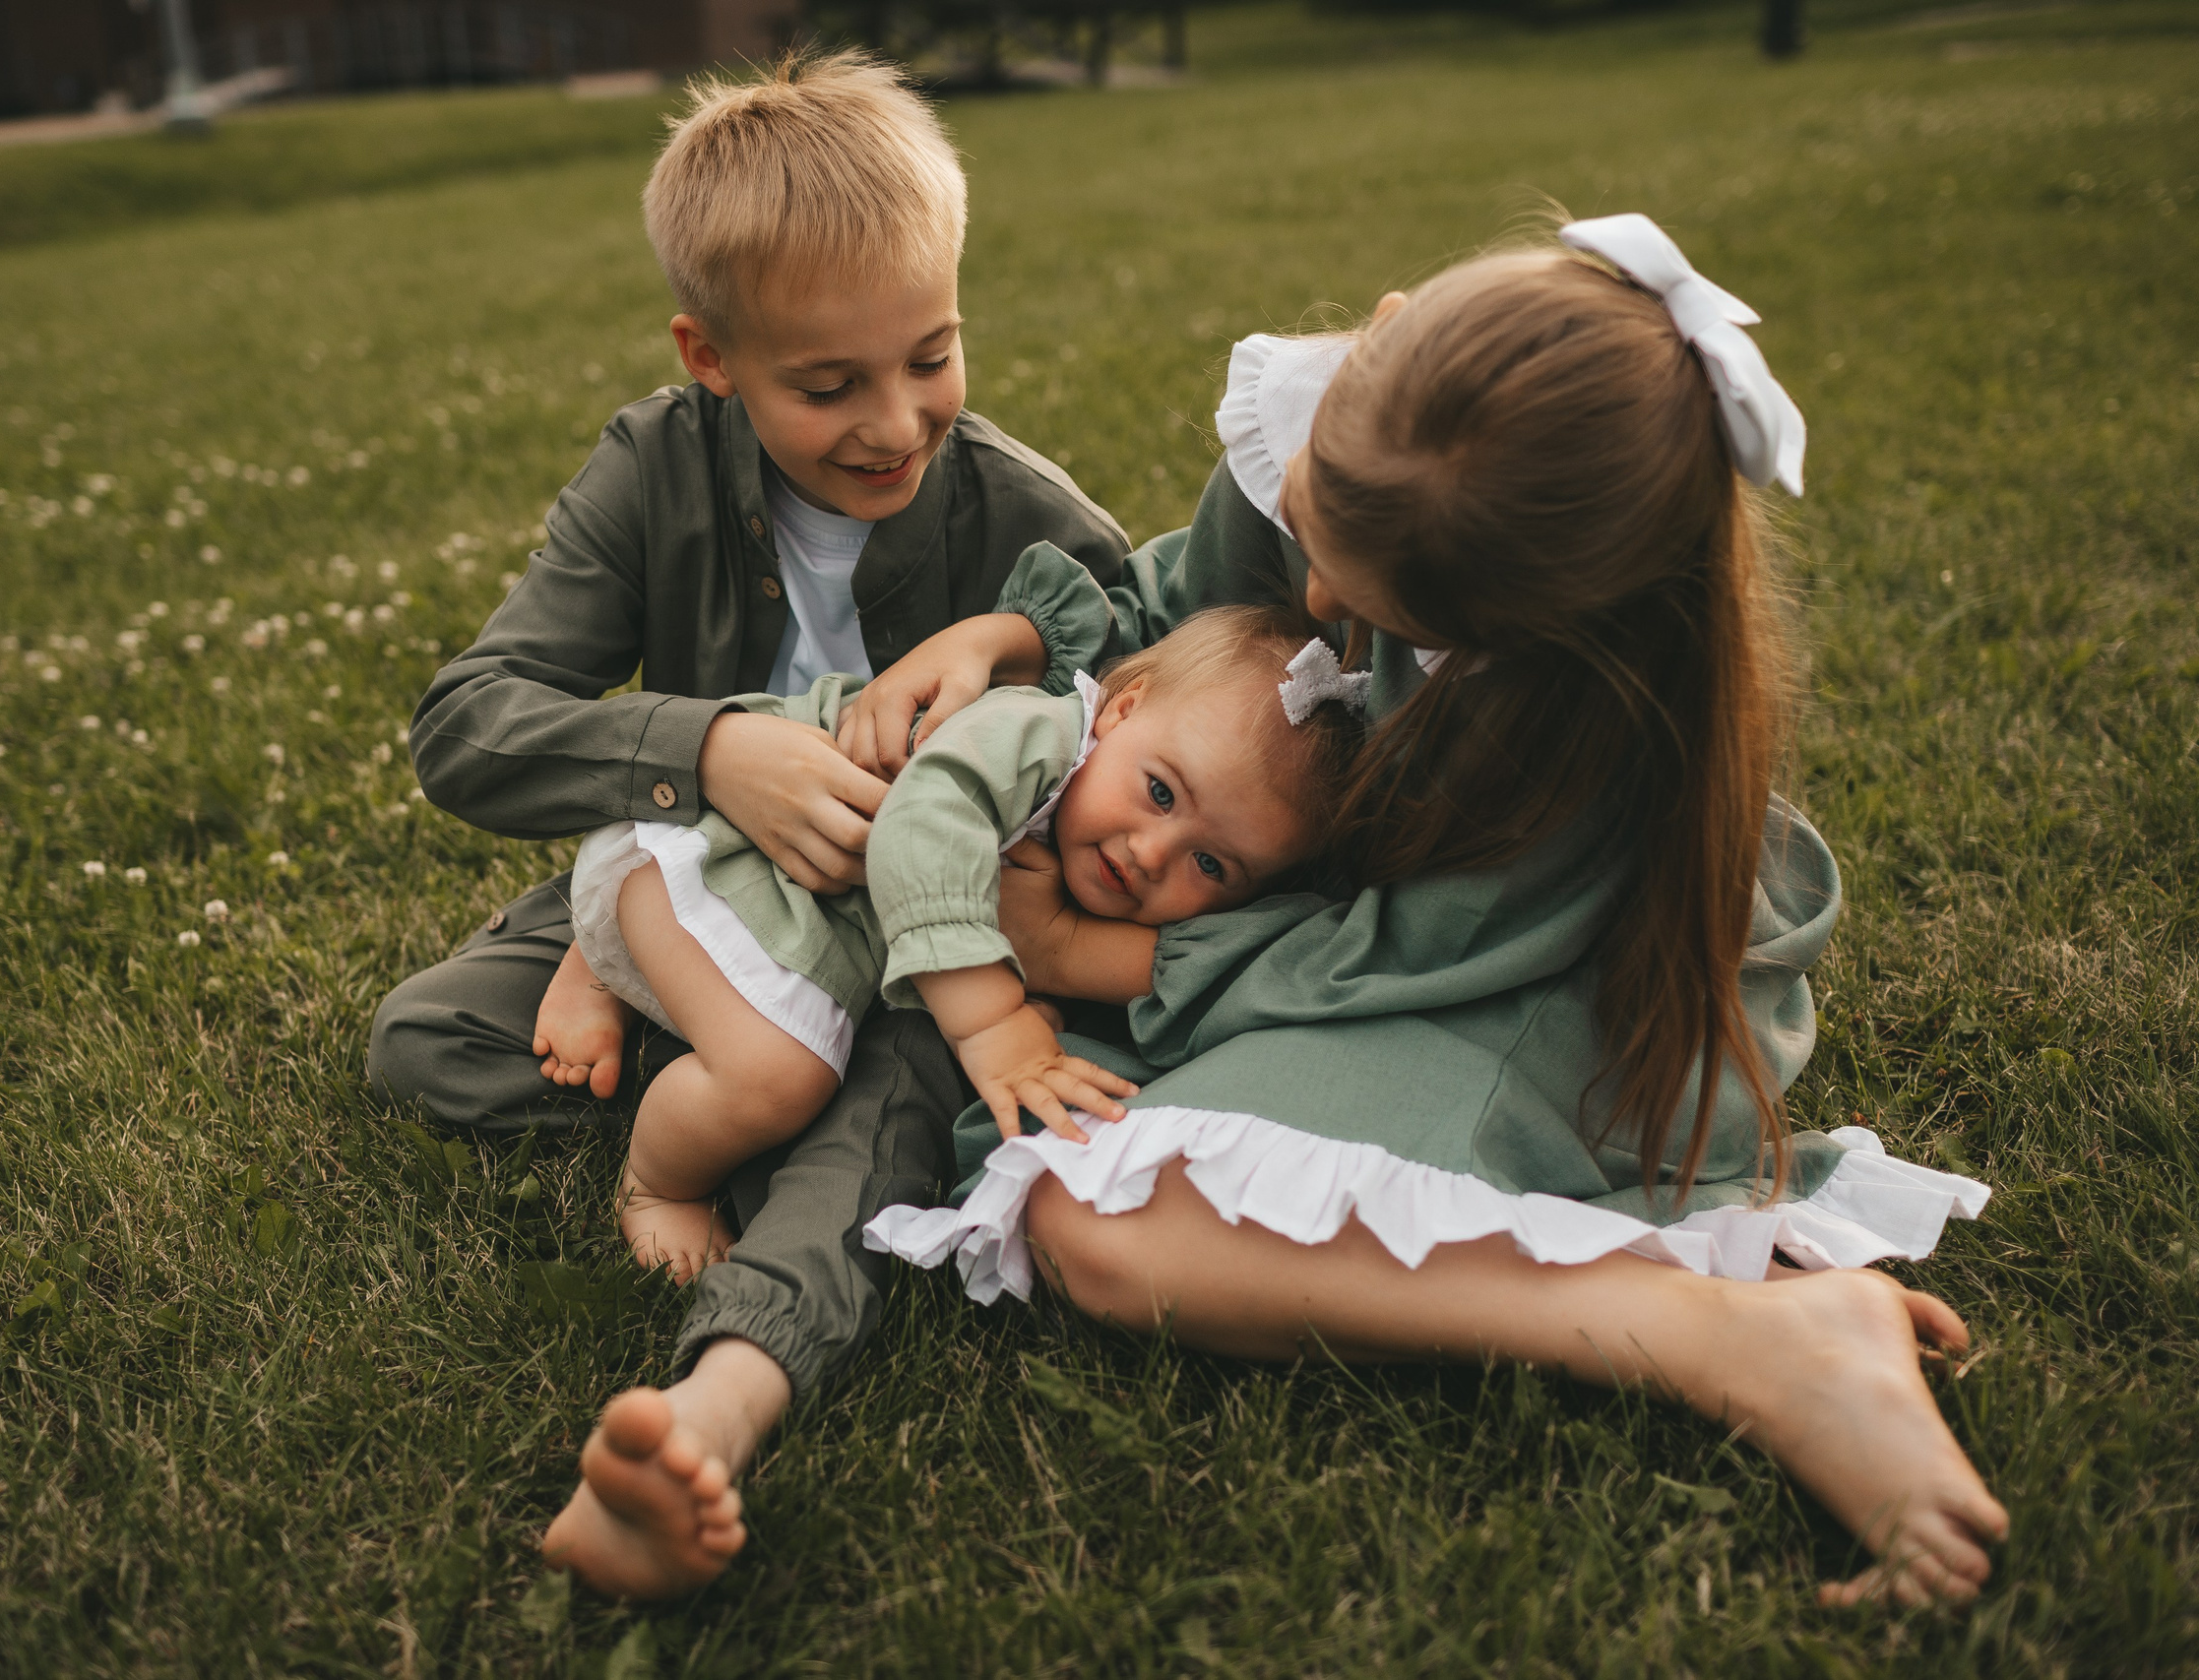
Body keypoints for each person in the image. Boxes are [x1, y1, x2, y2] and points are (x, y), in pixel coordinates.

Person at [860, 216, 2009, 1607]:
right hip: (1322, 939)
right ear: (1376, 344)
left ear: (1527, 635)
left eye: (1374, 607)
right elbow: (1198, 627)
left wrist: (1089, 953)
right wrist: (1009, 639)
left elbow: (1407, 953)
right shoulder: (1354, 454)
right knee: (1084, 1177)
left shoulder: (1578, 728)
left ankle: (1724, 1336)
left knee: (1101, 1217)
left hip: (1526, 995)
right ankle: (1729, 1325)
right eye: (1316, 533)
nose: (1317, 599)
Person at [363, 52, 1131, 1599]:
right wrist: (706, 749)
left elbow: (1149, 632)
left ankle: (749, 1239)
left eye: (933, 355)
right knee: (427, 1041)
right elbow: (467, 723)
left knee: (870, 1121)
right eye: (828, 386)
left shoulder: (1005, 503)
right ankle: (709, 1046)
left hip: (919, 951)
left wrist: (1009, 640)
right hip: (697, 885)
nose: (896, 421)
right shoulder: (652, 468)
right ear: (709, 356)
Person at [538, 606, 1367, 1281]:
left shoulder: (1107, 834)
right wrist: (993, 1020)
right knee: (778, 1075)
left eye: (1211, 864)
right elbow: (921, 830)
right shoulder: (1032, 735)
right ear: (1121, 709)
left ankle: (604, 964)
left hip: (785, 904)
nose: (1153, 852)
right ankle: (659, 1184)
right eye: (1160, 791)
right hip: (729, 855)